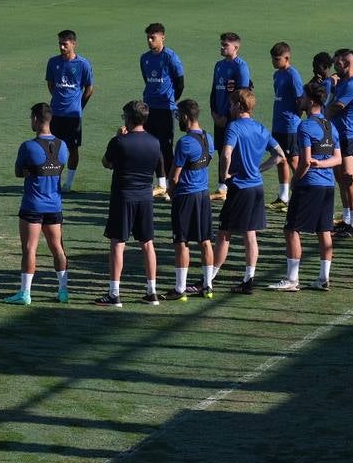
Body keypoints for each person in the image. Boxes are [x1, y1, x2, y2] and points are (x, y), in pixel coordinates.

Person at [268, 82, 341, 293]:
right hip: (328, 185)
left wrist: (296, 181)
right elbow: (337, 159)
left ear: (311, 100)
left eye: (302, 97)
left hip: (310, 185)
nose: (299, 99)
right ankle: (323, 278)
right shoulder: (330, 126)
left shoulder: (305, 126)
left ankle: (292, 279)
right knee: (323, 230)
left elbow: (306, 161)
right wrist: (322, 163)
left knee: (291, 229)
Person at [213, 90, 286, 295]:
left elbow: (226, 153)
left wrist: (224, 174)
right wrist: (258, 169)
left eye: (231, 104)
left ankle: (208, 277)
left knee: (224, 233)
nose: (229, 107)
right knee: (250, 235)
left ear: (238, 105)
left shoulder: (234, 127)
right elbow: (279, 155)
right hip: (257, 187)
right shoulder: (261, 128)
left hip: (240, 187)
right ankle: (248, 280)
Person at [96, 101, 162, 307]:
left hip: (123, 196)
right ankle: (152, 292)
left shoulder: (120, 142)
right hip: (145, 196)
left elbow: (106, 163)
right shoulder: (155, 142)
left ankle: (114, 293)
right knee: (147, 244)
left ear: (129, 119)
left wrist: (118, 137)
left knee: (118, 243)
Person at [5, 103, 69, 305]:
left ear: (35, 119)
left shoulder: (28, 146)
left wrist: (31, 170)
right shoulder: (63, 146)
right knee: (57, 248)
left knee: (30, 248)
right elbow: (59, 168)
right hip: (55, 205)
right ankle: (63, 291)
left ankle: (25, 293)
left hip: (32, 205)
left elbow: (18, 172)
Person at [167, 99, 214, 300]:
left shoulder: (185, 142)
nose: (178, 119)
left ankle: (180, 288)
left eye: (178, 116)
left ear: (186, 117)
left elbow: (175, 176)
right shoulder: (208, 138)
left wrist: (170, 190)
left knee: (182, 242)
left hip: (186, 196)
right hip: (203, 195)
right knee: (205, 241)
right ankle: (208, 285)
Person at [46, 29, 94, 193]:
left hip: (73, 115)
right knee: (53, 147)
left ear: (73, 44)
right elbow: (51, 85)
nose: (61, 47)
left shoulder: (83, 64)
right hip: (56, 114)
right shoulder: (53, 62)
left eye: (64, 44)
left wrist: (79, 106)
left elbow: (89, 88)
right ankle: (55, 180)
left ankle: (69, 183)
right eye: (59, 43)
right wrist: (58, 99)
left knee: (73, 149)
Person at [141, 22, 184, 199]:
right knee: (151, 146)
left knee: (166, 147)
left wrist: (172, 100)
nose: (150, 41)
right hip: (149, 107)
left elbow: (180, 82)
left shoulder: (170, 57)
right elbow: (146, 79)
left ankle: (172, 186)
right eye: (148, 38)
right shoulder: (144, 58)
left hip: (165, 108)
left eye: (153, 37)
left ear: (162, 37)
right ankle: (161, 184)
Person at [209, 33, 252, 201]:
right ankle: (222, 187)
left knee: (232, 153)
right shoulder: (218, 65)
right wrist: (214, 113)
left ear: (236, 47)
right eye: (221, 44)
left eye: (225, 45)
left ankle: (233, 186)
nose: (222, 47)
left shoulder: (241, 67)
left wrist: (226, 117)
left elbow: (242, 97)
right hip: (218, 117)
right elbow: (214, 91)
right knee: (221, 151)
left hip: (232, 119)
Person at [327, 48, 353, 238]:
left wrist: (318, 115)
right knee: (342, 179)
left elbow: (336, 106)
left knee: (348, 179)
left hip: (347, 137)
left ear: (345, 63)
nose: (334, 67)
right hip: (339, 135)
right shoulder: (344, 82)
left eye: (336, 63)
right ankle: (348, 219)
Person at [268, 42, 303, 211]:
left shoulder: (292, 74)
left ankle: (301, 197)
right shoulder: (277, 74)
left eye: (277, 59)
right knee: (280, 159)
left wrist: (294, 118)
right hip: (278, 124)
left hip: (290, 126)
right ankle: (283, 197)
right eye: (273, 59)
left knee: (294, 162)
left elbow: (300, 100)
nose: (274, 62)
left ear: (286, 58)